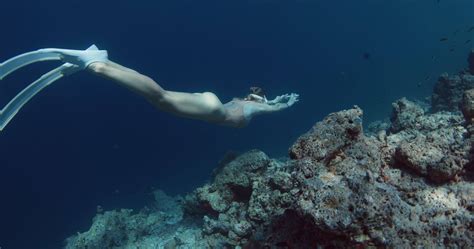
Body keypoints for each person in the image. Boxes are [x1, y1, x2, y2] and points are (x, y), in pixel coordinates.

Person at [0, 45, 299, 129]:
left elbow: (259, 102)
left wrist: (275, 101)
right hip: (212, 108)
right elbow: (266, 107)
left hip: (210, 101)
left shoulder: (242, 101)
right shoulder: (250, 107)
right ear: (258, 97)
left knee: (161, 96)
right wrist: (282, 104)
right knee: (160, 97)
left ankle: (101, 60)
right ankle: (97, 65)